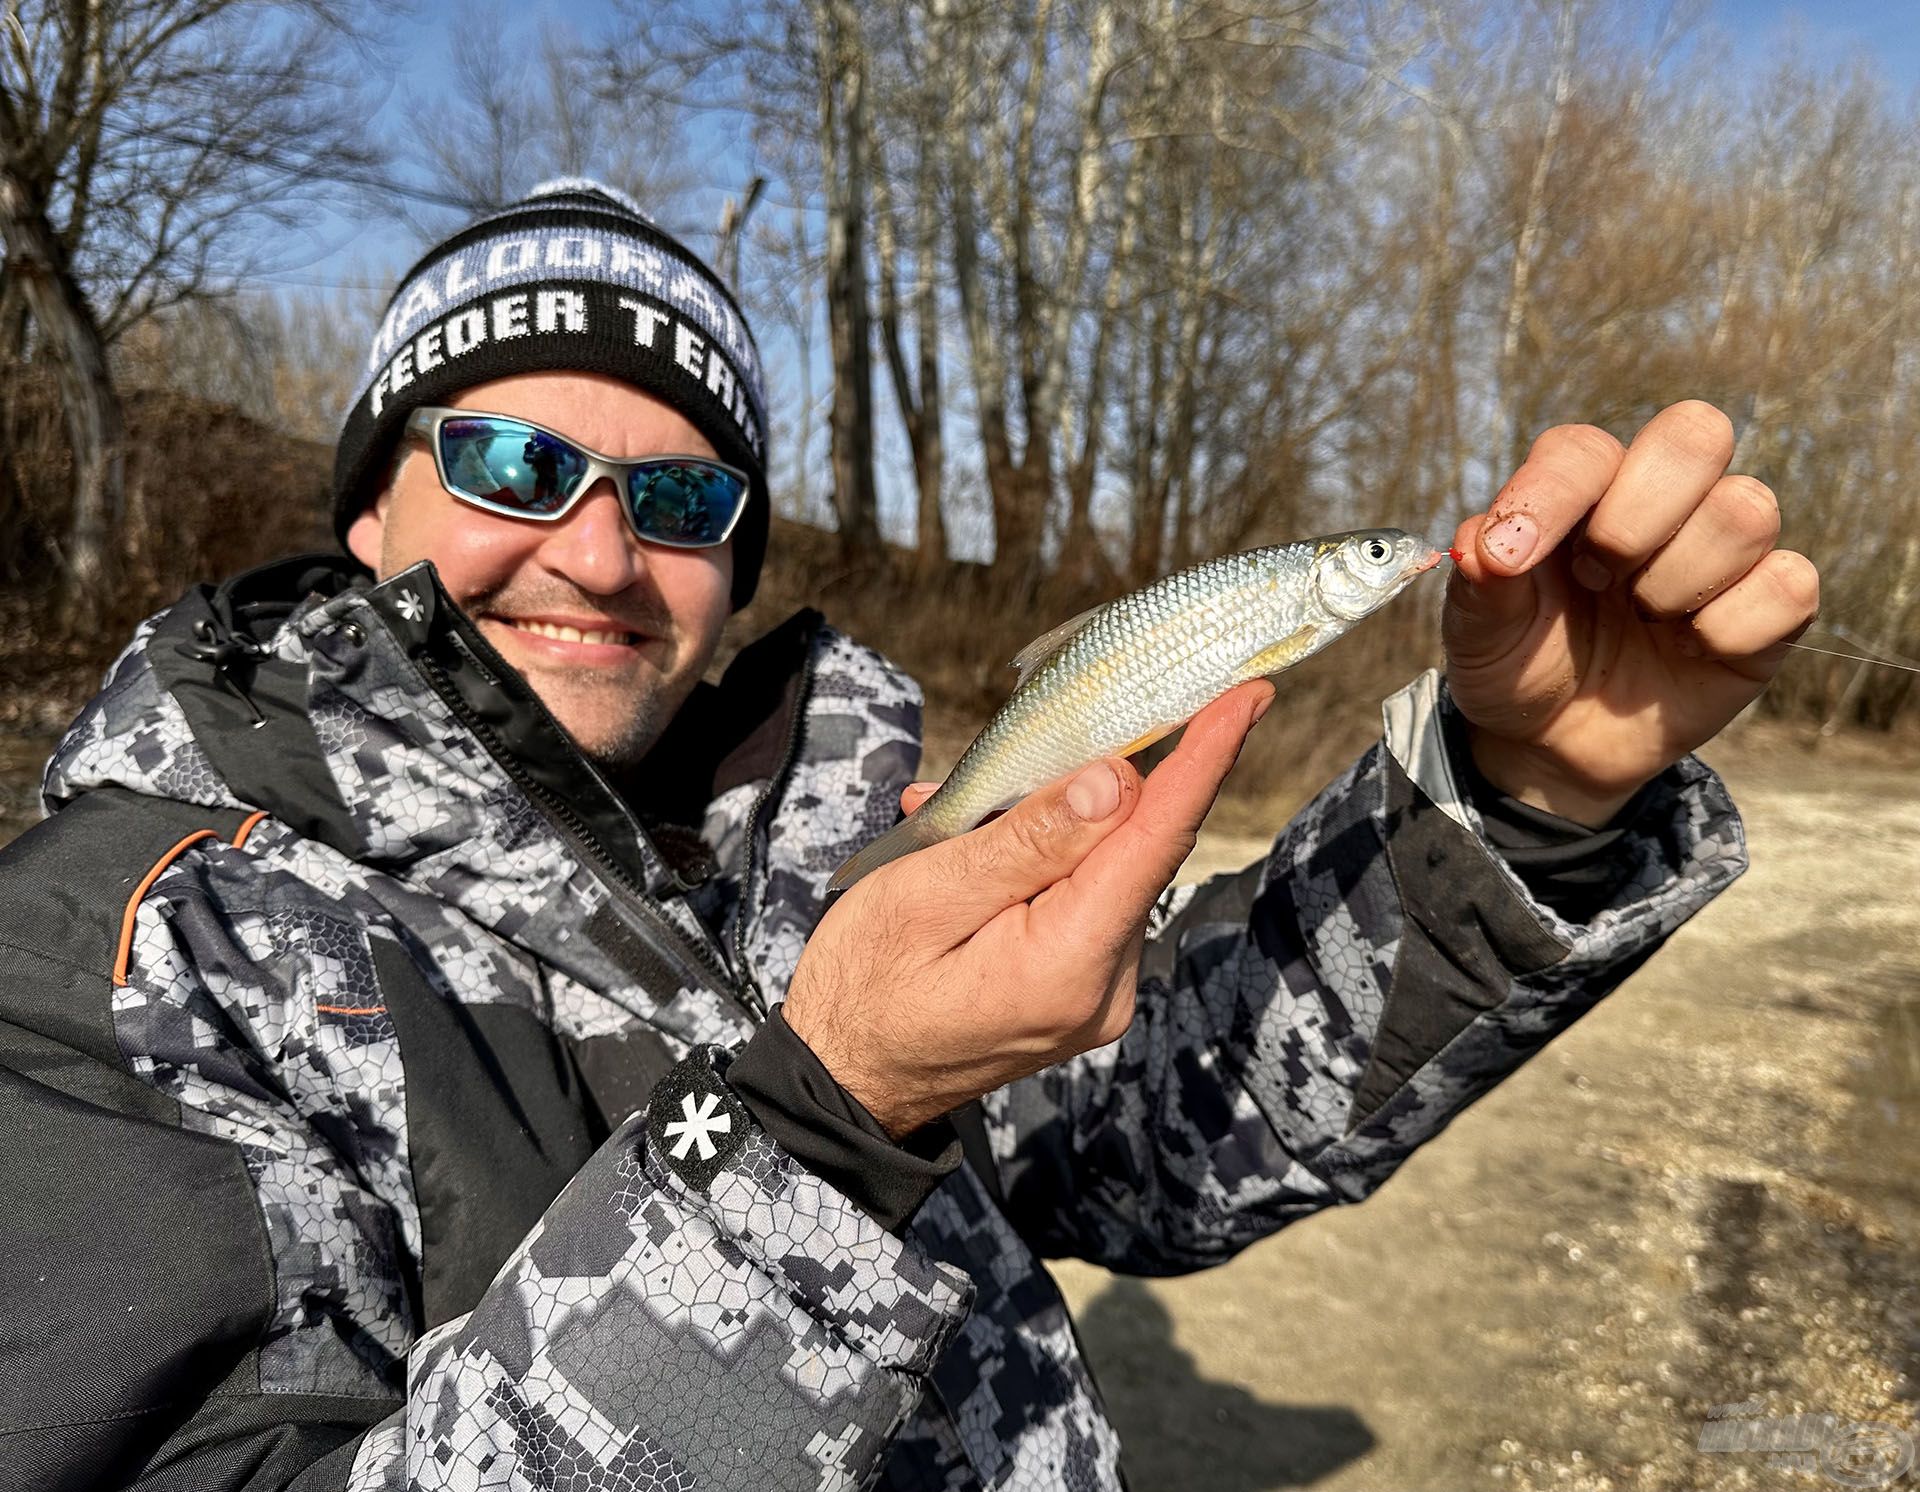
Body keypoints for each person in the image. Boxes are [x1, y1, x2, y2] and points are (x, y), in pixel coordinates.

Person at [0, 179, 1817, 1491]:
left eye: (687, 493)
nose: (601, 553)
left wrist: (1530, 803)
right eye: (513, 465)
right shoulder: (119, 947)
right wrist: (818, 1129)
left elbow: (1152, 1131)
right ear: (370, 503)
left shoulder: (813, 835)